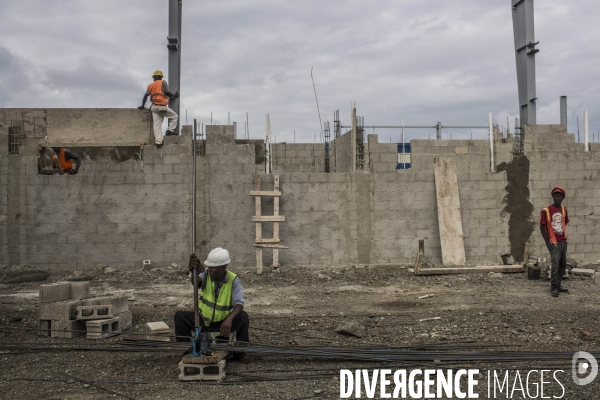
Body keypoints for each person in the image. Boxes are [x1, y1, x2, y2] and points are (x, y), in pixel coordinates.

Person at [174, 247, 250, 362]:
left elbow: (239, 304)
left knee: (243, 317)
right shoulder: (206, 275)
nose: (210, 270)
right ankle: (188, 349)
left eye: (213, 268)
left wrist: (229, 319)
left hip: (223, 323)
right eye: (209, 267)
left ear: (224, 267)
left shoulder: (233, 279)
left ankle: (240, 351)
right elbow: (196, 282)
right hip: (203, 320)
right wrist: (193, 270)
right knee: (180, 317)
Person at [138, 70, 179, 148]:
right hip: (161, 107)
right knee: (174, 116)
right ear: (161, 77)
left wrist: (142, 106)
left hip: (153, 107)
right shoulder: (163, 82)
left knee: (157, 125)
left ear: (154, 78)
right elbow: (167, 93)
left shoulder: (150, 85)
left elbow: (145, 96)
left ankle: (158, 142)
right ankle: (170, 130)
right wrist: (174, 96)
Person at [540, 187, 569, 297]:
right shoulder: (547, 210)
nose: (557, 198)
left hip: (563, 242)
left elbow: (564, 223)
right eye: (556, 196)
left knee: (562, 264)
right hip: (554, 242)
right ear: (553, 197)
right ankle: (554, 288)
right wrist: (548, 242)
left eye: (560, 196)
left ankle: (559, 284)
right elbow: (542, 227)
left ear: (562, 197)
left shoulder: (563, 209)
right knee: (555, 265)